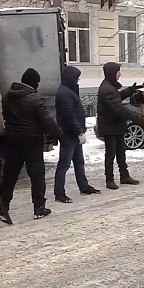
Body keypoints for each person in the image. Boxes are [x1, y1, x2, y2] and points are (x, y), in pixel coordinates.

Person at [0, 68, 64, 220]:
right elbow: (47, 120)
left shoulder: (7, 96)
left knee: (9, 175)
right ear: (34, 83)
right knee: (36, 175)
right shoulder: (36, 99)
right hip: (31, 141)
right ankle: (39, 207)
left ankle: (3, 208)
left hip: (12, 140)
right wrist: (60, 136)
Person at [54, 66, 100, 204]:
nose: (79, 79)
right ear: (71, 77)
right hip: (69, 134)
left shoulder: (69, 91)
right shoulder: (64, 93)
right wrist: (79, 131)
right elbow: (69, 115)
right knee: (64, 164)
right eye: (77, 76)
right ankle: (59, 193)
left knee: (79, 162)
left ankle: (84, 186)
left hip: (73, 134)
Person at [97, 62, 144, 190]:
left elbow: (116, 97)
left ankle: (124, 176)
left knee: (120, 151)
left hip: (115, 124)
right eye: (118, 71)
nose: (120, 74)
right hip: (110, 126)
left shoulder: (109, 86)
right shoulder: (107, 89)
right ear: (113, 73)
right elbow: (118, 108)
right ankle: (109, 179)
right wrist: (136, 116)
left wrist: (129, 91)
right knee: (111, 153)